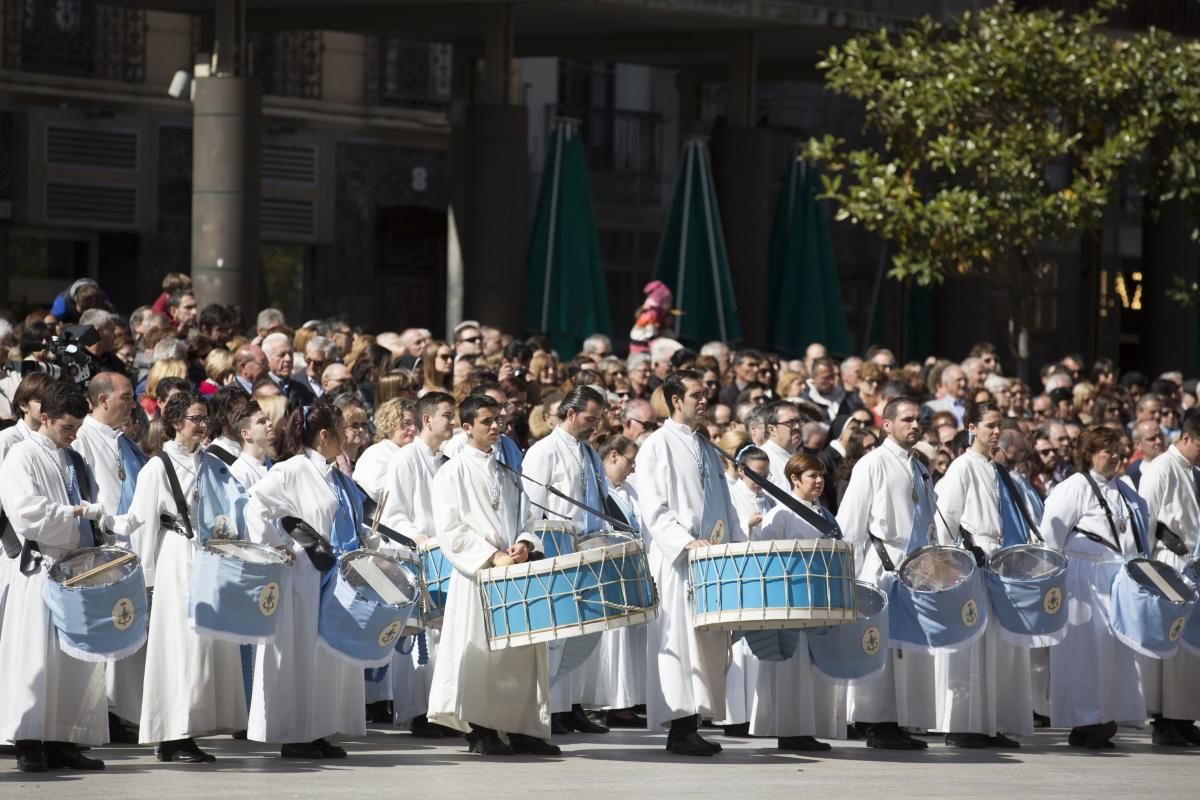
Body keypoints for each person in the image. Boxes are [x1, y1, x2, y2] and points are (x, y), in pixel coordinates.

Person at [427, 394, 559, 756]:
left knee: (521, 654)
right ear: (466, 427)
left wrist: (523, 544)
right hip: (478, 577)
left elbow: (529, 518)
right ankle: (480, 729)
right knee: (482, 655)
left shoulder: (508, 470)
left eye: (497, 419)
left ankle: (522, 730)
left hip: (513, 574)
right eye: (486, 421)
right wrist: (491, 555)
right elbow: (450, 530)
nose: (495, 426)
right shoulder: (452, 472)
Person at [126, 392, 247, 762]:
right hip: (178, 557)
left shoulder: (212, 463)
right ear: (176, 422)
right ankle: (173, 734)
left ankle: (194, 726)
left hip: (210, 557)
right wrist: (146, 578)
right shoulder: (157, 467)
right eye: (195, 418)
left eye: (205, 417)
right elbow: (142, 524)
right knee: (180, 645)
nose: (202, 423)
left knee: (207, 646)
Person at [242, 403, 366, 759]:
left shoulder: (328, 473)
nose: (345, 438)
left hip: (325, 572)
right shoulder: (293, 468)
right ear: (324, 435)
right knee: (295, 652)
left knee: (319, 654)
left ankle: (315, 729)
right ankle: (293, 733)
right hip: (299, 574)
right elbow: (255, 504)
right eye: (340, 431)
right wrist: (276, 546)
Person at [0, 381, 112, 772]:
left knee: (73, 656)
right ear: (44, 418)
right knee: (36, 655)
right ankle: (30, 741)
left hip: (75, 564)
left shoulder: (73, 458)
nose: (74, 434)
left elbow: (91, 500)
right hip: (41, 565)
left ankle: (66, 737)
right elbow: (25, 513)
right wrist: (74, 515)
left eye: (78, 427)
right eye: (67, 427)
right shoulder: (21, 456)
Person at [636, 370, 737, 756]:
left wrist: (735, 546)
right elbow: (654, 509)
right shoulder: (657, 445)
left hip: (710, 559)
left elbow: (724, 507)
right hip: (677, 560)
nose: (704, 400)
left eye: (705, 393)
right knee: (680, 642)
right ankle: (679, 729)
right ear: (676, 400)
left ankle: (692, 723)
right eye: (696, 394)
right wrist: (684, 541)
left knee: (707, 643)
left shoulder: (706, 445)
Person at [836, 396, 936, 750]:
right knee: (880, 645)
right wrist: (848, 573)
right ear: (887, 425)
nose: (915, 425)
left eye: (918, 419)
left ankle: (898, 717)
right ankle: (876, 721)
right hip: (883, 563)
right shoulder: (872, 463)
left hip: (915, 567)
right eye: (907, 419)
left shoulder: (919, 467)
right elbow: (851, 522)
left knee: (904, 648)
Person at [1039, 426, 1148, 749]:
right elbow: (1051, 536)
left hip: (1115, 578)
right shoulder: (1073, 487)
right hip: (1083, 579)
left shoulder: (1125, 489)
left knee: (1113, 652)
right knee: (1084, 651)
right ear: (1088, 455)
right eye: (1106, 450)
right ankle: (1083, 721)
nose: (1114, 456)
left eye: (1117, 449)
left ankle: (1106, 714)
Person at [931, 401, 1032, 748]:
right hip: (972, 560)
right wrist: (955, 561)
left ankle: (989, 722)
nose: (995, 432)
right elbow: (946, 518)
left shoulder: (997, 469)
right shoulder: (962, 467)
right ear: (971, 427)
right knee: (969, 644)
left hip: (999, 560)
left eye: (998, 425)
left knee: (996, 645)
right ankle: (961, 723)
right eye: (989, 425)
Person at [522, 385, 611, 735]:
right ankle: (551, 709)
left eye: (599, 419)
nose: (595, 425)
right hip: (555, 545)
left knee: (582, 631)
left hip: (587, 547)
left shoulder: (590, 453)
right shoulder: (543, 450)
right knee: (555, 631)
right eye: (590, 418)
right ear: (570, 414)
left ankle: (571, 705)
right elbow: (530, 504)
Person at [70, 371, 147, 741]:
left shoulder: (124, 442)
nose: (133, 403)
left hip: (129, 548)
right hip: (101, 548)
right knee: (105, 631)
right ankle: (103, 715)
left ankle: (123, 712)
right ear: (103, 400)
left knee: (127, 629)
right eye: (126, 396)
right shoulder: (82, 438)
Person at [374, 391, 457, 738]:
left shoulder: (447, 461)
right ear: (427, 420)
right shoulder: (406, 459)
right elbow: (392, 514)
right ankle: (418, 713)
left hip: (445, 556)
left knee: (444, 636)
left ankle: (442, 708)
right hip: (417, 555)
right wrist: (418, 538)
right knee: (420, 637)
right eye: (447, 416)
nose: (452, 422)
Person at [753, 452, 847, 751]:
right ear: (794, 479)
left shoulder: (824, 513)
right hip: (791, 600)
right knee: (792, 668)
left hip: (819, 599)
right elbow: (763, 554)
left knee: (812, 668)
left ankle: (807, 728)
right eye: (812, 476)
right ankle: (790, 730)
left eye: (821, 475)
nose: (819, 481)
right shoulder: (781, 514)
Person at [1136, 410, 1200, 746]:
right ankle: (1165, 718)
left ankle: (1184, 715)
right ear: (1186, 437)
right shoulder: (1161, 468)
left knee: (1190, 649)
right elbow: (1147, 520)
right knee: (1172, 644)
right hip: (1169, 562)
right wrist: (1148, 571)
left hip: (1191, 563)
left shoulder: (1193, 470)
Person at [717, 445, 772, 737]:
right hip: (740, 575)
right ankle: (734, 717)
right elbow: (725, 528)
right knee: (739, 649)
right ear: (741, 470)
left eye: (764, 475)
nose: (760, 481)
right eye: (754, 475)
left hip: (763, 575)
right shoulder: (732, 494)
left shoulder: (768, 498)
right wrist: (745, 526)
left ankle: (756, 713)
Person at [353, 398, 416, 500]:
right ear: (391, 423)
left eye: (414, 423)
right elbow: (378, 490)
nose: (413, 428)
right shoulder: (375, 454)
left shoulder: (413, 453)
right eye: (407, 423)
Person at [760, 401, 802, 489]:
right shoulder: (764, 459)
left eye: (798, 421)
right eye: (790, 422)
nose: (797, 427)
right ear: (772, 429)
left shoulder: (795, 455)